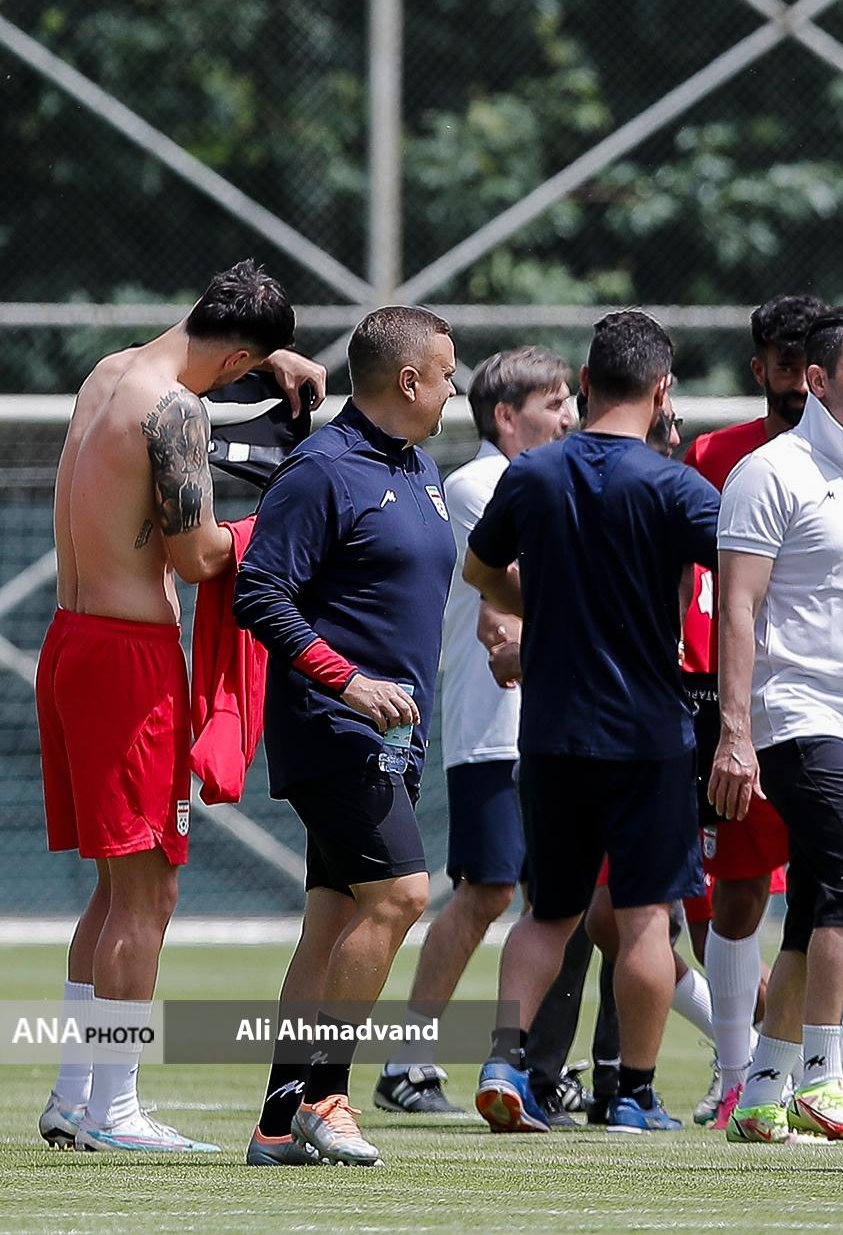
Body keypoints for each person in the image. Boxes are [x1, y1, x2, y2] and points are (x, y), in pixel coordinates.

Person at [39, 260, 302, 1154]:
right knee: (151, 890)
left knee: (117, 889)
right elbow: (197, 557)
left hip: (71, 642)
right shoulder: (178, 410)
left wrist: (270, 363)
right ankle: (114, 1108)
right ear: (236, 362)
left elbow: (188, 390)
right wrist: (272, 528)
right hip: (128, 661)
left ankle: (75, 1094)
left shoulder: (110, 372)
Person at [465, 310, 717, 1136]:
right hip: (649, 733)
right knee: (643, 916)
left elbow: (479, 568)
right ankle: (634, 1092)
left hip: (552, 730)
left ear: (582, 382)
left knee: (550, 911)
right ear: (661, 389)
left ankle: (504, 1059)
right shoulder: (675, 485)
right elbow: (748, 572)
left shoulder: (533, 473)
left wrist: (538, 610)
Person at [235, 305, 460, 1166]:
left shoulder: (420, 466)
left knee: (333, 921)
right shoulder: (322, 468)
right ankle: (326, 1094)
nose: (452, 390)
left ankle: (274, 1126)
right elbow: (260, 593)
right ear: (408, 379)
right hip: (333, 727)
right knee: (400, 894)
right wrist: (348, 681)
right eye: (446, 374)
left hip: (395, 737)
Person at [710, 307, 843, 1146]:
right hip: (795, 715)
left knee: (816, 906)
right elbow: (737, 609)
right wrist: (734, 732)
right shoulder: (769, 471)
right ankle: (825, 1078)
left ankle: (761, 1092)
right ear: (818, 380)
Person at [374, 347, 573, 1118]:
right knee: (486, 891)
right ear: (506, 416)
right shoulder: (476, 485)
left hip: (552, 724)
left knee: (570, 902)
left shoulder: (544, 480)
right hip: (494, 726)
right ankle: (407, 1061)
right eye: (553, 402)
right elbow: (524, 586)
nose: (569, 416)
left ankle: (535, 1067)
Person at [681, 292, 826, 1127]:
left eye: (809, 360)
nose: (796, 378)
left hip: (835, 700)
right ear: (761, 365)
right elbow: (688, 571)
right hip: (738, 700)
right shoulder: (715, 455)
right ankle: (735, 1071)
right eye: (783, 360)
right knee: (735, 891)